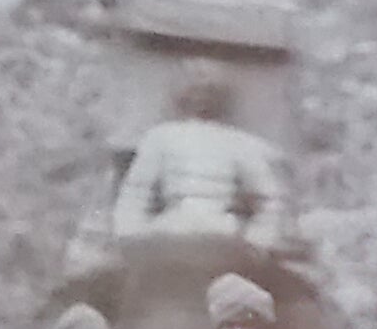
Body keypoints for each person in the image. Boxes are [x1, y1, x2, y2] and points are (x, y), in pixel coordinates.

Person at [114, 60, 291, 245]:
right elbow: (135, 192)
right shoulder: (161, 136)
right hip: (171, 231)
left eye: (209, 91)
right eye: (195, 89)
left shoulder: (240, 142)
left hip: (223, 235)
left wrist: (257, 241)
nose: (201, 98)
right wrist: (131, 235)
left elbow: (269, 199)